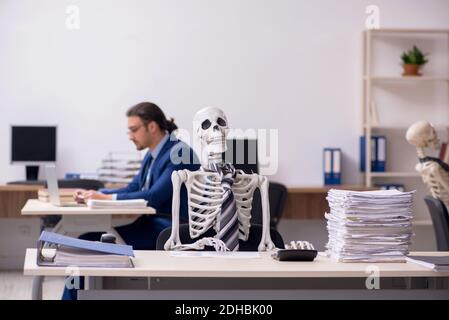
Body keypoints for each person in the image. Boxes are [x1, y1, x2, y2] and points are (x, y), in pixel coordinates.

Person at [61, 102, 199, 299]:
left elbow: (154, 197)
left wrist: (106, 197)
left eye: (134, 130)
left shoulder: (179, 153)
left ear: (151, 127)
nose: (130, 136)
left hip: (170, 230)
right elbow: (133, 188)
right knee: (86, 242)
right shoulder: (153, 155)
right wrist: (95, 193)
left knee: (87, 244)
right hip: (152, 224)